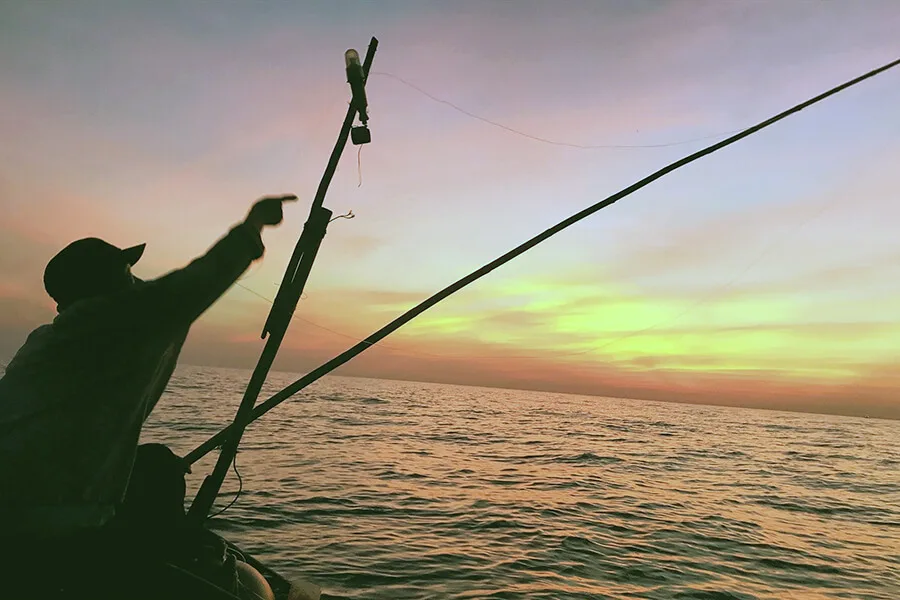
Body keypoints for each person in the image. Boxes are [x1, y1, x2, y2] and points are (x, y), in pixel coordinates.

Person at [0, 194, 296, 595]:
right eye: (127, 272)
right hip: (40, 527)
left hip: (26, 499)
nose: (135, 280)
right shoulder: (108, 328)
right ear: (106, 284)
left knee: (156, 465)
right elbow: (186, 290)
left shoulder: (53, 339)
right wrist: (253, 226)